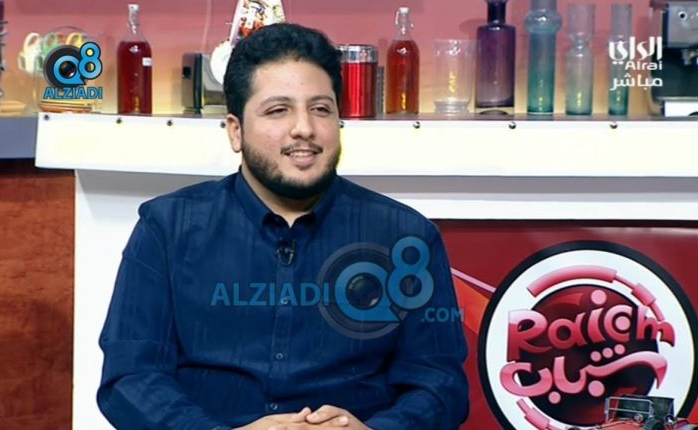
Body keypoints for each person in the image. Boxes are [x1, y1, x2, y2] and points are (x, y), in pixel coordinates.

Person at [97, 23, 469, 430]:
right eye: (278, 110)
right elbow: (130, 378)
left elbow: (441, 385)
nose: (304, 128)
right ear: (236, 131)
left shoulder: (406, 237)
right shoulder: (167, 228)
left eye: (321, 109)